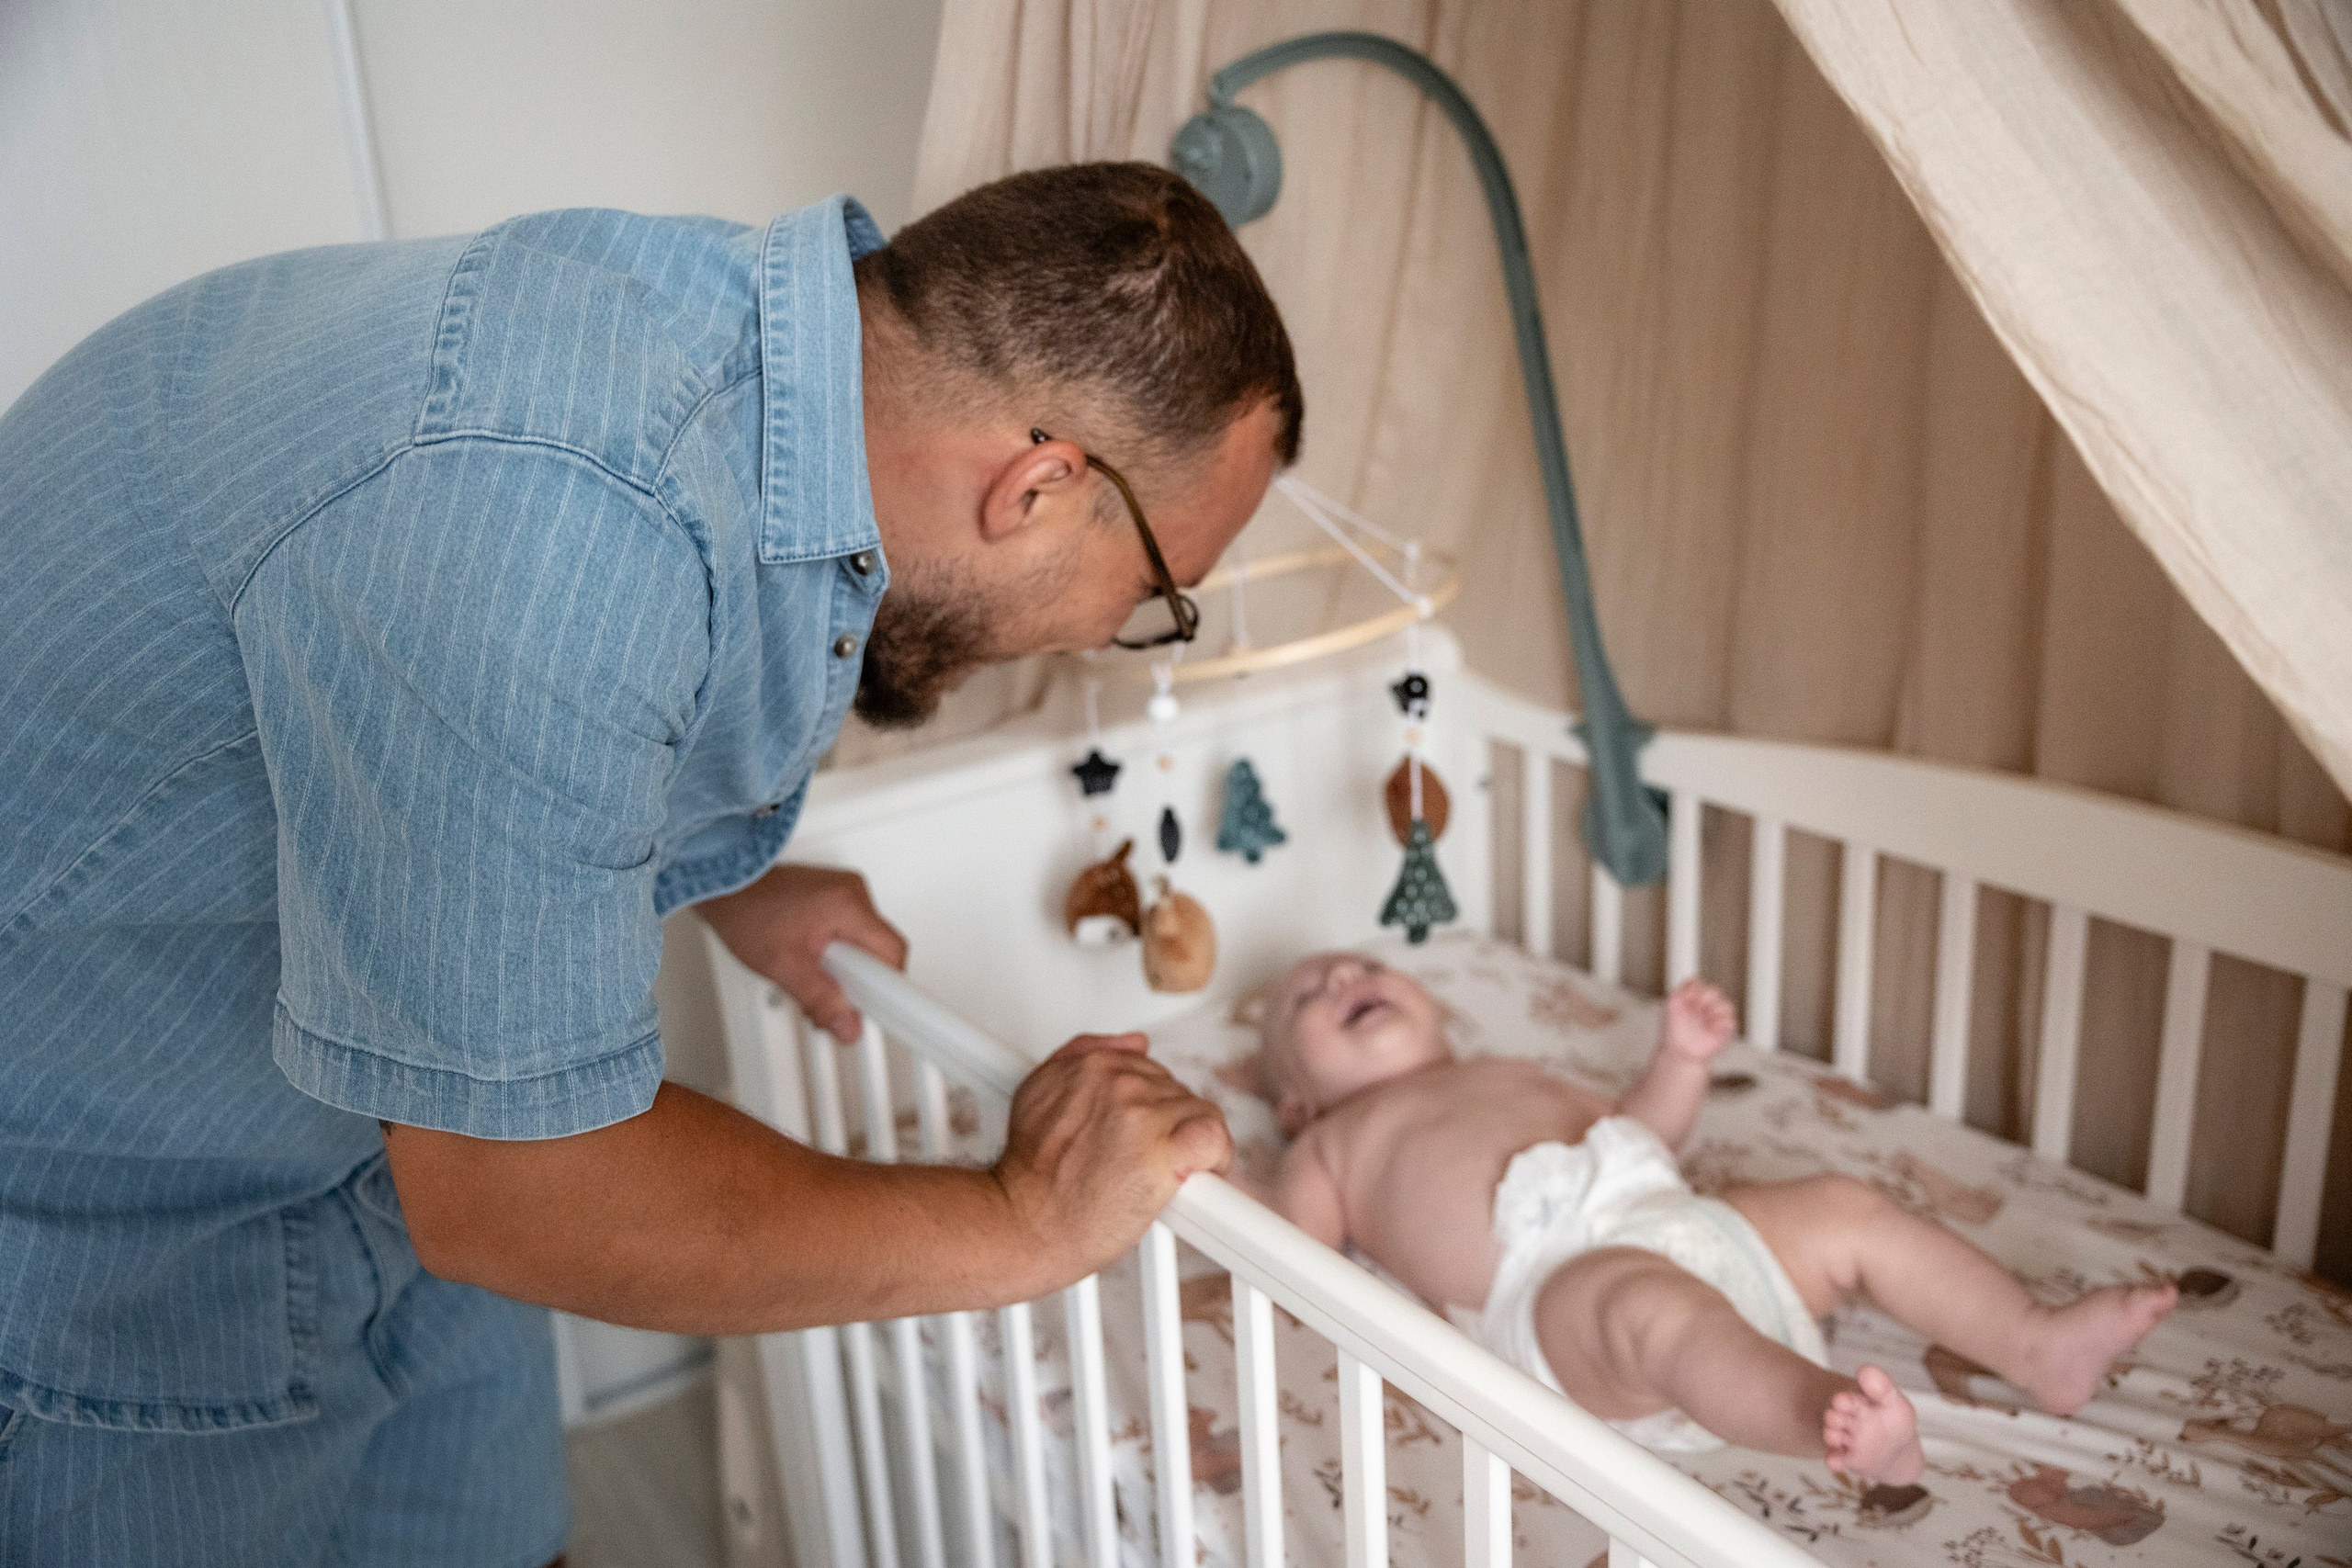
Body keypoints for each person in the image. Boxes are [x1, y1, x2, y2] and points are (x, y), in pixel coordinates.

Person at [0, 163, 1298, 1565]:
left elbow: (431, 741)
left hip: (379, 1133)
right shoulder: (557, 523)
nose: (1113, 634)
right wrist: (1019, 1220)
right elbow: (521, 1188)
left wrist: (722, 871)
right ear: (1039, 486)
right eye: (1153, 593)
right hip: (119, 1225)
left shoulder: (756, 366)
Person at [1255, 953, 2179, 1483]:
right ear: (1294, 1101)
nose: (1345, 975)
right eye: (1308, 996)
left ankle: (2034, 1343)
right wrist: (1213, 1181)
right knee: (1653, 1313)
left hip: (1678, 1217)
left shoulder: (1505, 1070)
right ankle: (1835, 1420)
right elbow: (1287, 1255)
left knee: (1843, 1207)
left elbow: (1641, 1136)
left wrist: (1680, 1063)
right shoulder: (1331, 1143)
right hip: (1556, 1297)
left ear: (1439, 1017)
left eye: (1367, 965)